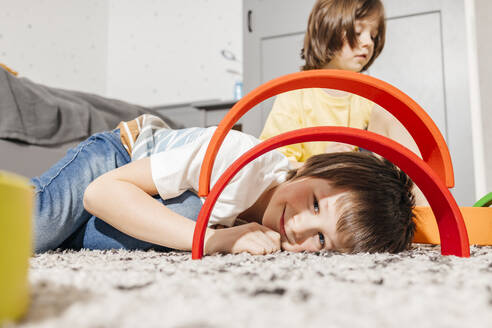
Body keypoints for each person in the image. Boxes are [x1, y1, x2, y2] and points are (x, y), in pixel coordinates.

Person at [32, 114, 416, 256]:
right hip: (120, 161)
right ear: (314, 167)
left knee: (78, 240)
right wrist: (217, 240)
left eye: (320, 241)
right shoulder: (240, 159)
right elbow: (101, 192)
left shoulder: (275, 246)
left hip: (134, 204)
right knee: (37, 229)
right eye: (315, 204)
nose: (298, 228)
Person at [260, 0, 420, 169]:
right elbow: (273, 166)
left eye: (373, 35)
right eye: (358, 32)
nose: (368, 42)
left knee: (393, 113)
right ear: (328, 30)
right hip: (313, 186)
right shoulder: (295, 95)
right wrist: (321, 164)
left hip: (363, 187)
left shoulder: (370, 99)